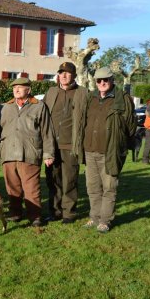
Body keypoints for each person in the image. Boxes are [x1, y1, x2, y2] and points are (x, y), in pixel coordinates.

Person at [79, 67, 136, 233]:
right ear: (95, 82)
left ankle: (105, 220)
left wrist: (121, 145)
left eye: (106, 80)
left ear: (112, 80)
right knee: (92, 187)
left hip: (110, 151)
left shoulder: (123, 98)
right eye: (99, 80)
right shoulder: (91, 97)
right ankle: (94, 217)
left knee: (109, 187)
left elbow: (130, 126)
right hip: (90, 150)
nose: (102, 83)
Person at [0, 77, 55, 227]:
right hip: (8, 153)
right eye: (14, 88)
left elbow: (47, 132)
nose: (16, 90)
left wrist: (48, 153)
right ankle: (15, 213)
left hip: (30, 153)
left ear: (29, 90)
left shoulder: (39, 106)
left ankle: (35, 216)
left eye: (20, 87)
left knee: (31, 188)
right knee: (12, 187)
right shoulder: (6, 107)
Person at [43, 62, 89, 224]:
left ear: (74, 76)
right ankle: (54, 211)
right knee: (53, 180)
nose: (63, 75)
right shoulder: (51, 91)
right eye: (61, 72)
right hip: (51, 145)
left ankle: (69, 212)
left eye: (67, 73)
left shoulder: (83, 93)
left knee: (69, 180)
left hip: (71, 145)